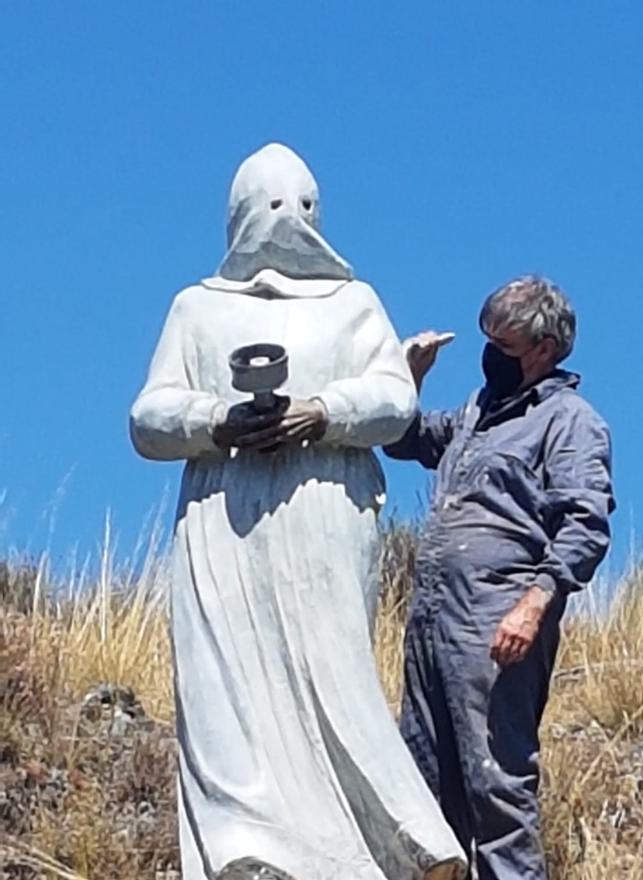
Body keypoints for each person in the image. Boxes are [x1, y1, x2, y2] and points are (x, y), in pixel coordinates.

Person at [130, 143, 466, 880]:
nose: (288, 219)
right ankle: (244, 850)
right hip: (225, 514)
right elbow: (148, 418)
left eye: (300, 204)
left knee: (330, 666)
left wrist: (322, 410)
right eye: (271, 203)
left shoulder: (354, 303)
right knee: (224, 675)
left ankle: (403, 843)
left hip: (323, 506)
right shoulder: (197, 307)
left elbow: (394, 399)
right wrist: (217, 419)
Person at [384, 276, 615, 880]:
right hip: (432, 618)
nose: (491, 356)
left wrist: (533, 605)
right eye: (487, 340)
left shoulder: (569, 421)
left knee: (495, 782)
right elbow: (406, 439)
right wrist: (410, 375)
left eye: (505, 346)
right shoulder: (477, 412)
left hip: (497, 620)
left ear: (543, 349)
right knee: (425, 778)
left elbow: (585, 525)